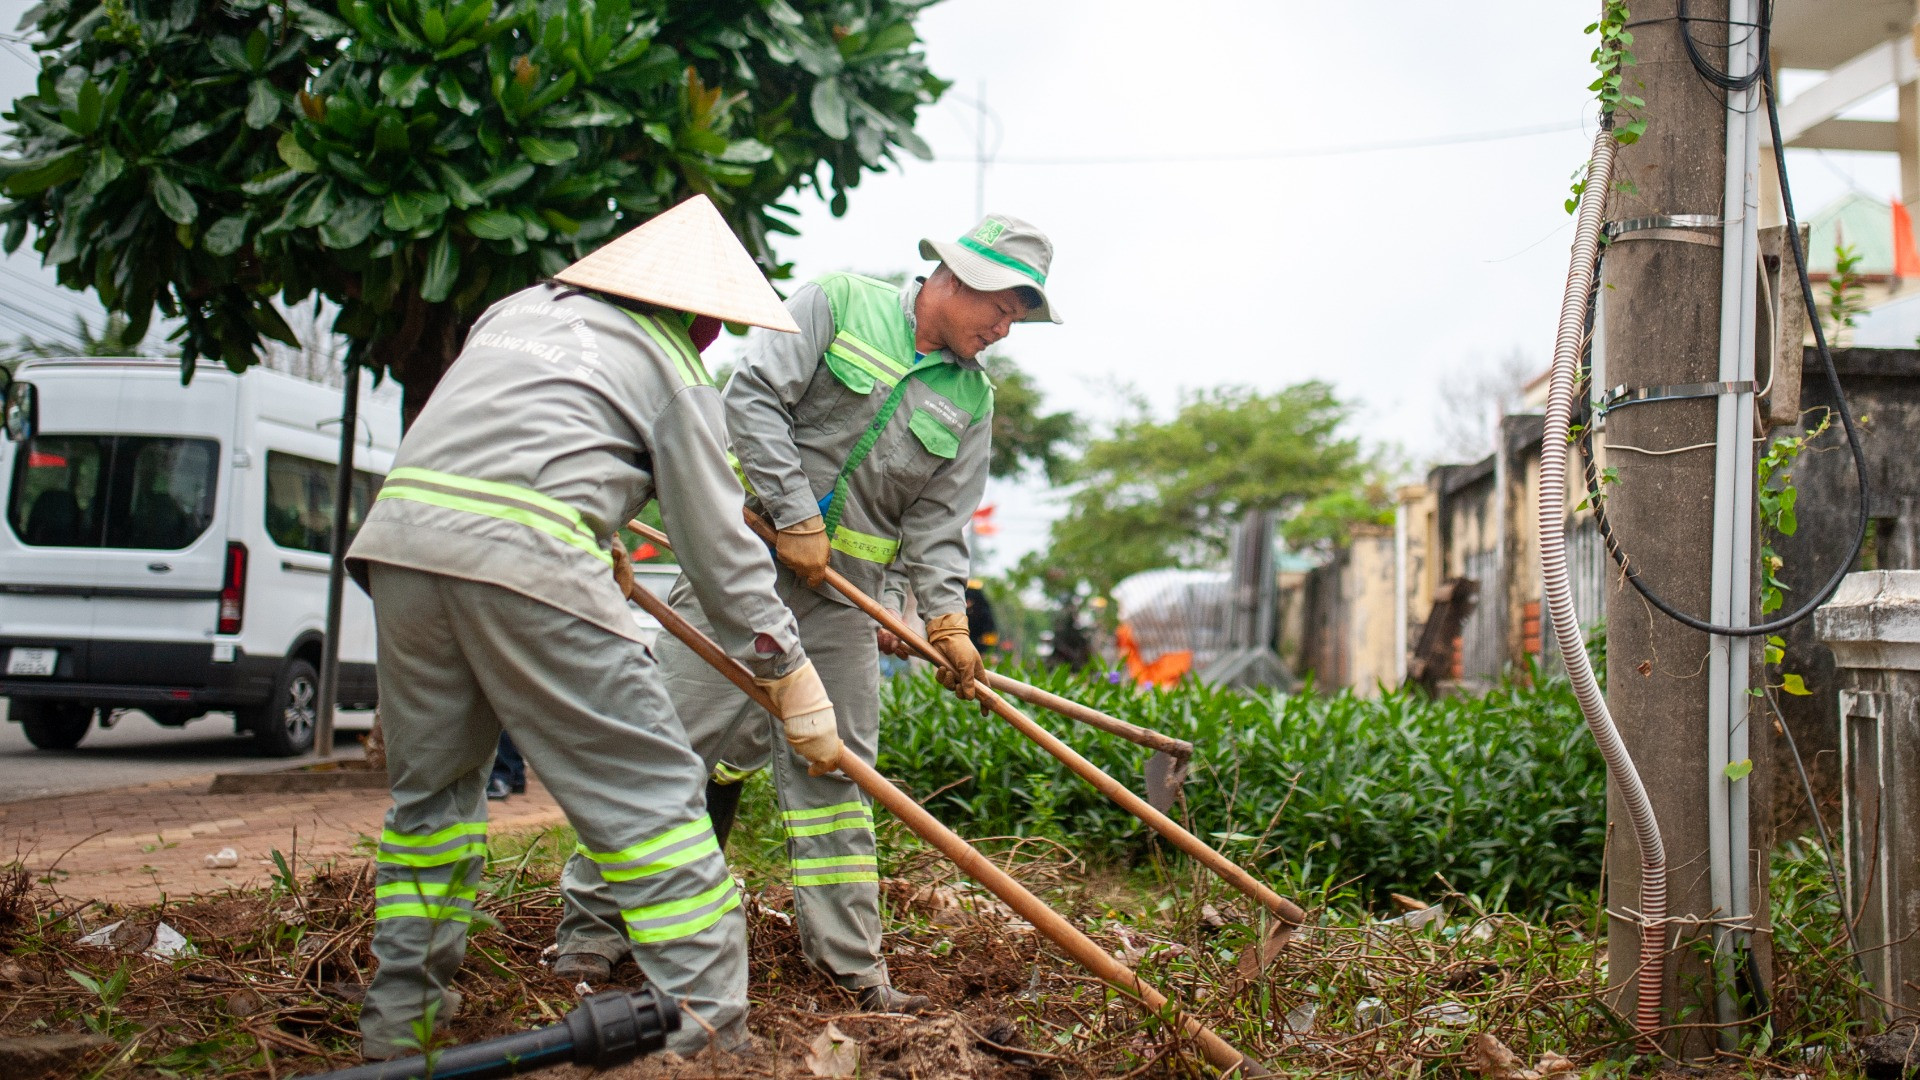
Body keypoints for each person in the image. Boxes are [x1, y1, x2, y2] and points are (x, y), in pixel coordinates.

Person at [344, 195, 844, 1060]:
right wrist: (788, 671)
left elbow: (519, 439)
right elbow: (719, 549)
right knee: (655, 803)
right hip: (530, 562)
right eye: (713, 325)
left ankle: (401, 1024)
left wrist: (599, 533)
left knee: (432, 805)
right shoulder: (671, 366)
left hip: (404, 547)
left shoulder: (514, 313)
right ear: (695, 313)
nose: (712, 341)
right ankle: (706, 1038)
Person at [552, 214, 1061, 1012]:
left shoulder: (973, 399)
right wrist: (794, 515)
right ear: (957, 277)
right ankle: (591, 931)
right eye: (1004, 307)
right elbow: (752, 398)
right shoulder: (836, 302)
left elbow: (936, 527)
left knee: (839, 773)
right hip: (739, 569)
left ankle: (851, 967)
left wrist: (947, 623)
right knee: (667, 749)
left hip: (843, 609)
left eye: (1020, 317)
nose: (1006, 328)